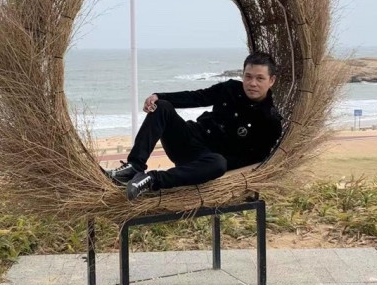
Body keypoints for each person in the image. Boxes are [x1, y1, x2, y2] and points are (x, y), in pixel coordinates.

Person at [105, 52, 282, 200]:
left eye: (260, 78)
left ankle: (151, 180)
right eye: (248, 76)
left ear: (271, 80)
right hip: (188, 138)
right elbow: (197, 97)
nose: (252, 83)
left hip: (204, 161)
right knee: (162, 106)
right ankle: (134, 166)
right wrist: (159, 96)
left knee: (219, 164)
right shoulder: (230, 88)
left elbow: (255, 161)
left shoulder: (270, 121)